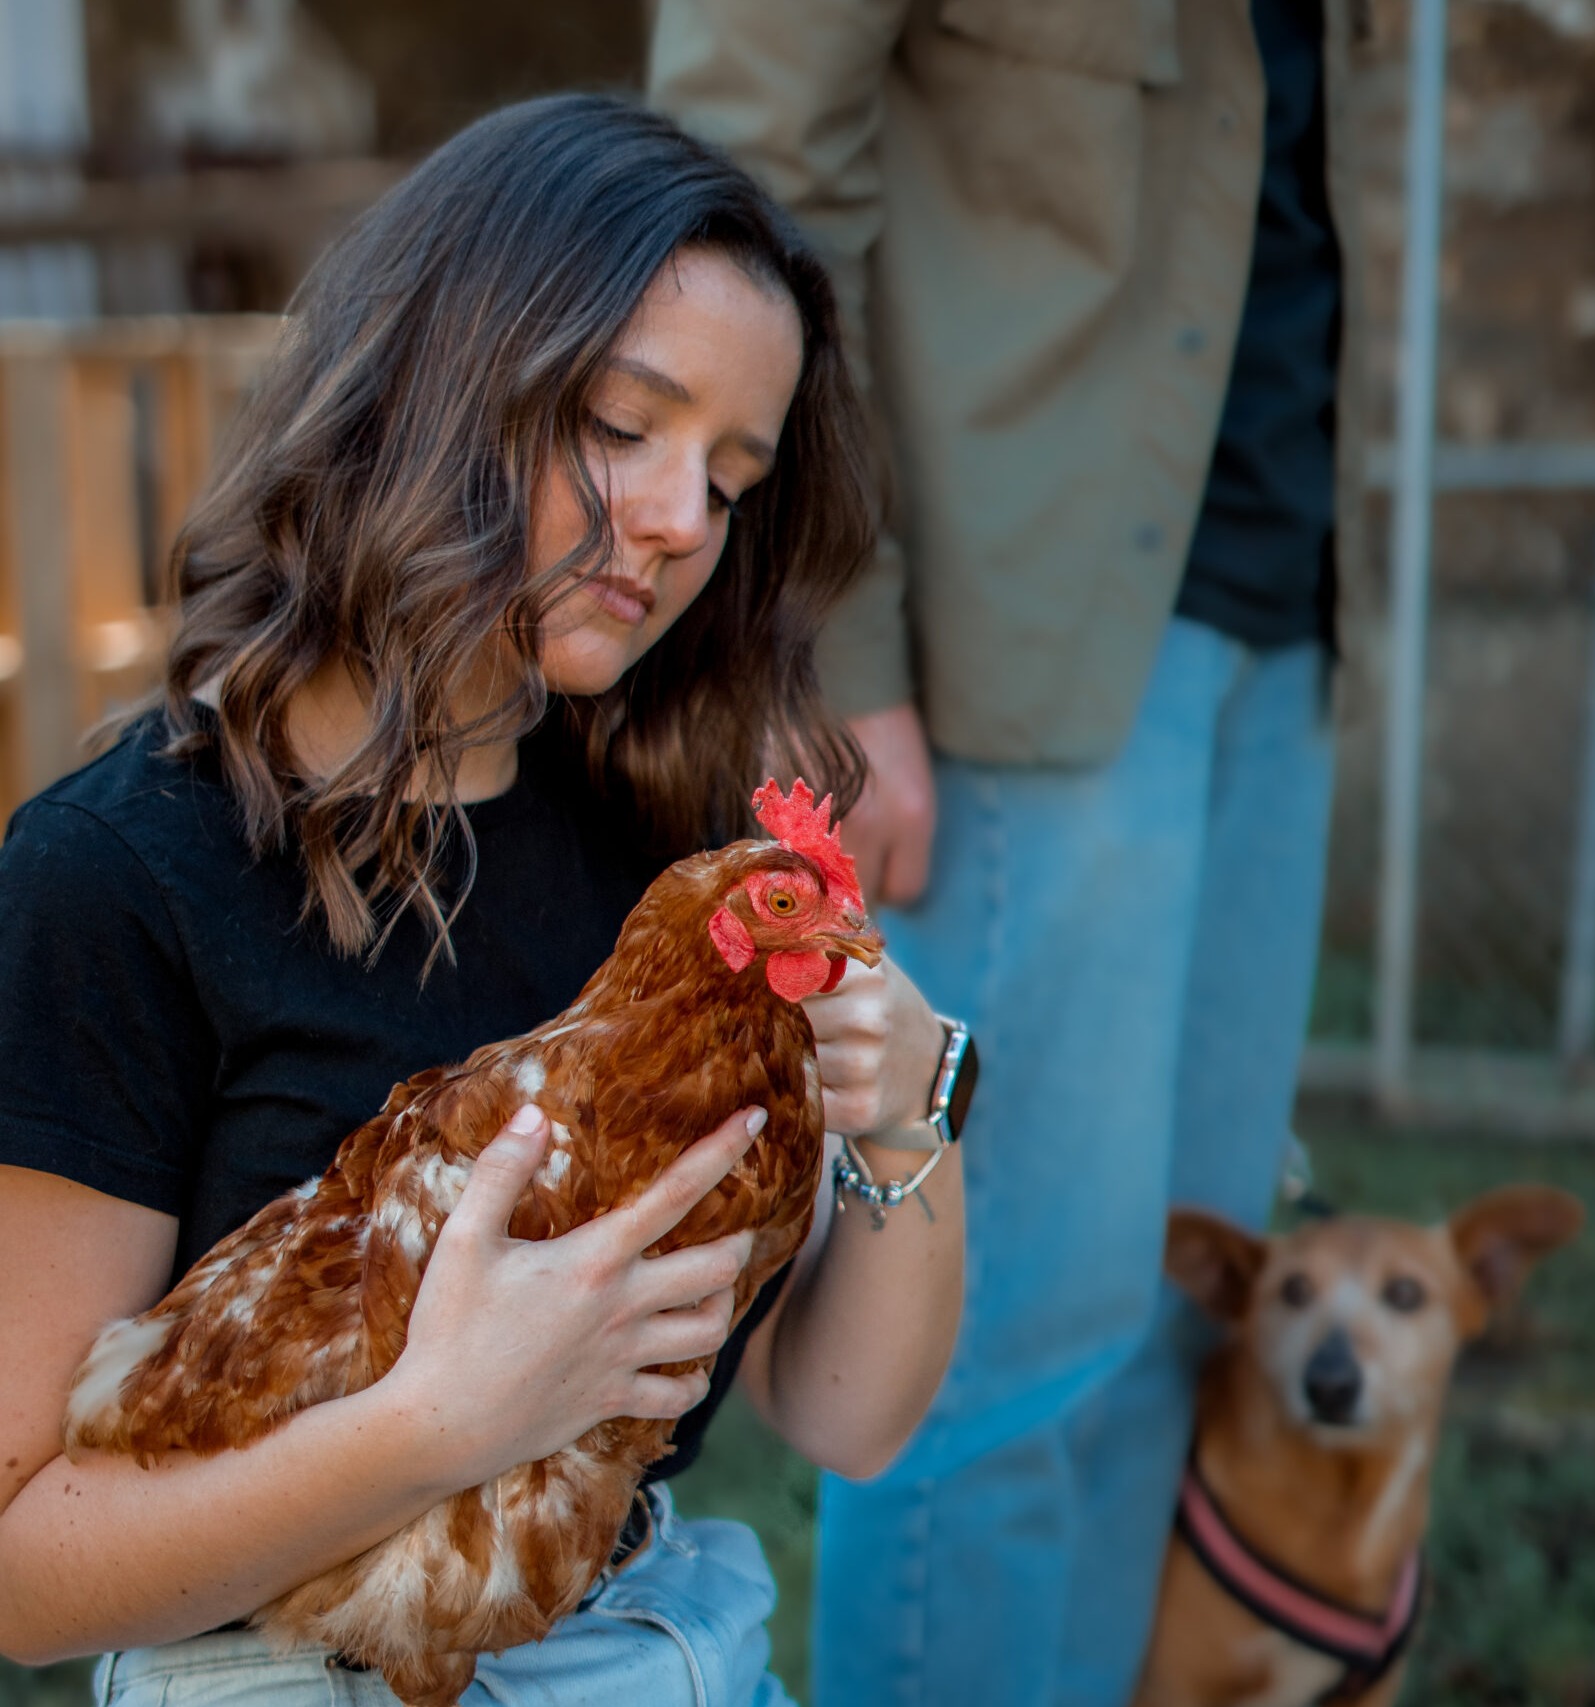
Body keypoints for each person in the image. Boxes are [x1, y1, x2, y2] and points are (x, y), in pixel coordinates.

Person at [0, 94, 967, 1707]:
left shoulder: (684, 865)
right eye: (619, 422)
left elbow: (847, 1413)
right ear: (443, 376)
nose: (677, 525)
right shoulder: (118, 878)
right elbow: (23, 1572)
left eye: (732, 479)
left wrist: (915, 1114)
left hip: (658, 1644)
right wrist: (439, 1426)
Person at [650, 3, 1366, 1702]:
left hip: (1280, 612)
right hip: (1008, 642)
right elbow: (750, 164)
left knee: (1168, 1332)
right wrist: (829, 643)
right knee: (1000, 1359)